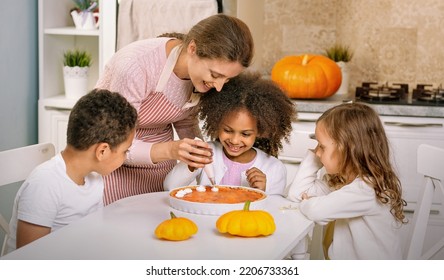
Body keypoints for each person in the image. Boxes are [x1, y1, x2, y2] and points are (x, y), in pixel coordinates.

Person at [95, 14, 255, 205]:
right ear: (193, 48)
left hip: (160, 172)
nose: (219, 87)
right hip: (113, 170)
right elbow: (113, 145)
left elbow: (186, 119)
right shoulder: (135, 66)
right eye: (215, 75)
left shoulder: (200, 79)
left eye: (226, 79)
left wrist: (199, 152)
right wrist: (172, 149)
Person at [5, 89, 137, 253]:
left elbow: (92, 234)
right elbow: (29, 260)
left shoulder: (94, 177)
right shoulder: (45, 185)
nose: (126, 156)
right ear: (102, 151)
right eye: (126, 151)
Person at [286, 102, 407, 260]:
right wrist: (315, 158)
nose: (317, 151)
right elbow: (296, 194)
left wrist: (308, 204)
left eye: (322, 146)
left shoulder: (366, 189)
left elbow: (316, 211)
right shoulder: (342, 180)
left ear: (348, 150)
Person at [164, 71, 297, 195]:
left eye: (245, 134)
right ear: (216, 122)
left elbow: (275, 210)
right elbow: (169, 187)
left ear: (261, 131)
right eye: (227, 130)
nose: (234, 140)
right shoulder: (207, 153)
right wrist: (191, 165)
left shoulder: (273, 168)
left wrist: (262, 191)